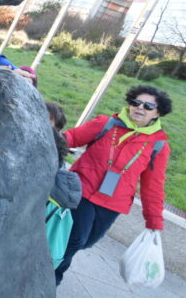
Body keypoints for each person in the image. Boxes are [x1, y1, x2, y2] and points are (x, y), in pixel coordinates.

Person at [55, 85, 172, 285]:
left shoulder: (158, 146)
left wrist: (154, 222)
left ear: (158, 112)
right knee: (76, 239)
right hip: (83, 189)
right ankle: (52, 277)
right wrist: (48, 140)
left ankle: (48, 256)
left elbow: (153, 187)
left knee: (87, 242)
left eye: (148, 105)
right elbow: (71, 138)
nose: (139, 107)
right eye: (135, 102)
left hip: (112, 204)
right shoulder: (106, 124)